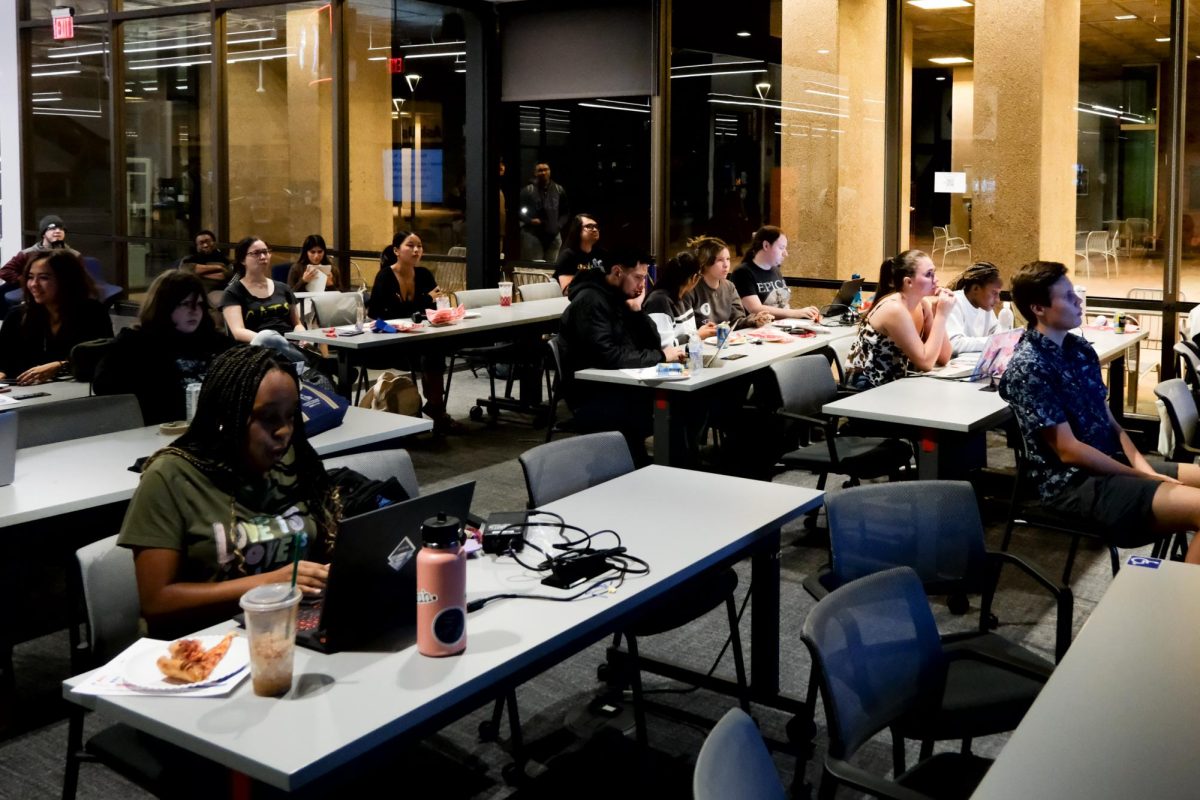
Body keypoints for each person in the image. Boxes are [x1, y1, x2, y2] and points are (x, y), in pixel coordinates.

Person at [116, 346, 339, 637]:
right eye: (269, 418)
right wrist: (270, 584)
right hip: (204, 643)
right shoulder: (170, 476)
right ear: (226, 415)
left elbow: (322, 553)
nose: (284, 431)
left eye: (291, 416)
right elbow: (157, 601)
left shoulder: (292, 463)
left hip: (289, 629)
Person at [999, 260, 1200, 563]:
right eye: (1067, 297)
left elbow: (1109, 422)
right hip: (1071, 484)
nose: (1078, 300)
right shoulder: (1029, 365)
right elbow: (1068, 451)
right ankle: (1183, 606)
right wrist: (1141, 475)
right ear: (1038, 308)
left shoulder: (1079, 349)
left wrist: (1144, 468)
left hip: (1110, 464)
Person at [559, 246, 685, 463]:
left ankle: (677, 468)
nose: (642, 285)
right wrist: (661, 357)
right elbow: (610, 356)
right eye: (638, 277)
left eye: (644, 278)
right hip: (594, 393)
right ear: (617, 272)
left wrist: (637, 311)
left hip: (621, 384)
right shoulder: (591, 301)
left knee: (688, 403)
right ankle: (653, 470)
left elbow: (650, 343)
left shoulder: (618, 297)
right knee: (674, 406)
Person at [94, 270, 233, 424]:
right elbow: (104, 388)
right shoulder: (135, 344)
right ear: (164, 306)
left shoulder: (215, 341)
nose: (194, 312)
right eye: (185, 304)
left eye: (199, 304)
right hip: (161, 430)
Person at [366, 230, 460, 434]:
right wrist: (424, 300)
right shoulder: (385, 276)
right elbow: (377, 314)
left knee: (434, 350)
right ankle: (436, 410)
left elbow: (434, 310)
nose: (416, 250)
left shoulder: (424, 274)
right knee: (430, 353)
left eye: (419, 246)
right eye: (410, 245)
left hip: (418, 337)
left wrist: (417, 306)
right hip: (389, 340)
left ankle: (435, 407)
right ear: (396, 250)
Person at [845, 249, 954, 389]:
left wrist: (937, 312)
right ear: (908, 282)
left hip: (895, 384)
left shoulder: (923, 304)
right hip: (867, 386)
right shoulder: (894, 309)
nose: (936, 280)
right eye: (929, 274)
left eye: (934, 273)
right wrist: (942, 315)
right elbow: (925, 363)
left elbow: (944, 357)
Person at [0, 251, 113, 385]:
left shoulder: (92, 312)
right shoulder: (17, 316)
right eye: (30, 277)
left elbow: (102, 357)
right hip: (23, 392)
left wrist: (61, 366)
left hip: (74, 392)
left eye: (44, 278)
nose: (34, 284)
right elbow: (4, 361)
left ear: (65, 280)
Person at [220, 236, 307, 361]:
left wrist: (301, 336)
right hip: (257, 351)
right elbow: (238, 331)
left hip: (289, 345)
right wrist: (272, 341)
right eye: (256, 253)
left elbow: (297, 323)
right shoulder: (233, 292)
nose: (263, 257)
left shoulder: (283, 288)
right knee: (268, 336)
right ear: (242, 260)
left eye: (265, 252)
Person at [730, 226, 820, 321]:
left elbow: (783, 306)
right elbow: (755, 309)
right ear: (766, 245)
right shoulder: (742, 272)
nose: (785, 253)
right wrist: (795, 313)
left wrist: (803, 314)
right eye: (781, 248)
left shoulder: (775, 270)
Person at [686, 235, 772, 329]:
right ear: (705, 262)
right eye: (720, 260)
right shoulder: (691, 288)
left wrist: (754, 320)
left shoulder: (729, 287)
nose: (726, 265)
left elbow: (737, 321)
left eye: (728, 259)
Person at [0, 215, 81, 309]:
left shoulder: (74, 255)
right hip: (35, 296)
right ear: (43, 233)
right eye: (52, 228)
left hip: (64, 297)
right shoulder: (28, 253)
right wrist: (26, 281)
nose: (58, 231)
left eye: (61, 229)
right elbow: (5, 271)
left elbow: (80, 280)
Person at [643, 251, 717, 346]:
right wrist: (697, 335)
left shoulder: (684, 297)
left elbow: (687, 334)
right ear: (694, 278)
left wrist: (701, 331)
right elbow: (664, 346)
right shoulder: (659, 301)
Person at [946, 261, 1002, 355]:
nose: (997, 300)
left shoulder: (985, 306)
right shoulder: (954, 301)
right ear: (976, 288)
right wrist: (992, 342)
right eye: (994, 293)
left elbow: (997, 331)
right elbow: (953, 344)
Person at [519, 162, 568, 262]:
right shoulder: (527, 190)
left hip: (553, 235)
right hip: (532, 233)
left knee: (551, 270)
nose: (543, 172)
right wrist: (530, 220)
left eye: (546, 169)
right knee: (534, 269)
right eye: (540, 170)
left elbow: (565, 212)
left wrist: (559, 225)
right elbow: (518, 211)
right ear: (535, 173)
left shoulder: (559, 190)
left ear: (550, 171)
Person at [553, 213, 604, 291]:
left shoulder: (601, 254)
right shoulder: (568, 256)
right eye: (589, 226)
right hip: (576, 299)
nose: (595, 229)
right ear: (577, 230)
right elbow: (567, 290)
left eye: (596, 226)